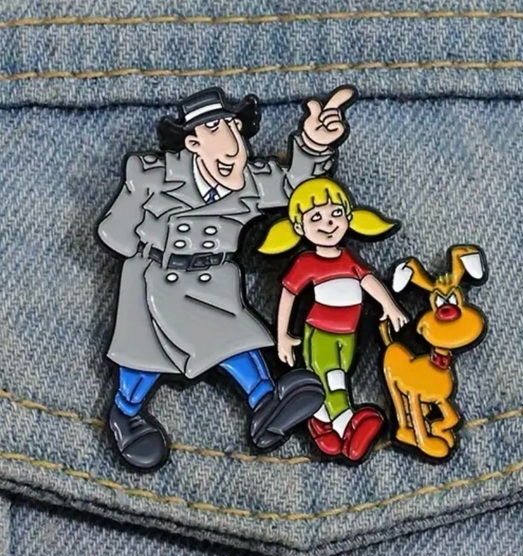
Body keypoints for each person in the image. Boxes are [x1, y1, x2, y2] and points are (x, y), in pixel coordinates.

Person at [97, 86, 356, 470]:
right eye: (215, 127)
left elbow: (293, 186)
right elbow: (114, 233)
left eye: (233, 126)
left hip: (214, 279)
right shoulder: (153, 175)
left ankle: (266, 405)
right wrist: (142, 227)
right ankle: (126, 413)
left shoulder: (250, 180)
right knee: (145, 358)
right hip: (155, 278)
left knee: (237, 339)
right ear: (193, 142)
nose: (232, 141)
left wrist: (314, 145)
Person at [259, 177, 408, 462]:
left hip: (349, 336)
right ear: (299, 228)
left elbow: (368, 281)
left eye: (335, 213)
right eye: (316, 217)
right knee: (332, 379)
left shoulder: (348, 258)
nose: (328, 224)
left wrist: (390, 306)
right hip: (320, 334)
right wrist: (282, 337)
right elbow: (288, 296)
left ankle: (321, 424)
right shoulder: (306, 262)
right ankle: (348, 422)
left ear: (349, 217)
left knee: (331, 379)